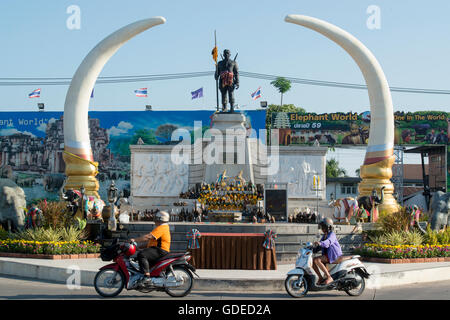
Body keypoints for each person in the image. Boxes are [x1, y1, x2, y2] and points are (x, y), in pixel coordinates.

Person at [130, 211, 171, 283]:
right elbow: (151, 242)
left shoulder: (162, 227)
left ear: (160, 219)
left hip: (160, 250)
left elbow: (148, 237)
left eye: (156, 218)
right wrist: (139, 247)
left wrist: (134, 240)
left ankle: (147, 277)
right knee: (139, 256)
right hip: (157, 249)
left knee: (142, 255)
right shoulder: (162, 227)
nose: (154, 220)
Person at [312, 217, 343, 285]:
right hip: (328, 255)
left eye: (323, 227)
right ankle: (320, 277)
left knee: (317, 260)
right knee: (313, 260)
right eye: (322, 227)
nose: (322, 229)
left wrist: (320, 243)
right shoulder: (324, 236)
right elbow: (320, 245)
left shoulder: (332, 235)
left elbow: (328, 242)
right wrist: (312, 249)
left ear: (328, 227)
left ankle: (329, 277)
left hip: (334, 255)